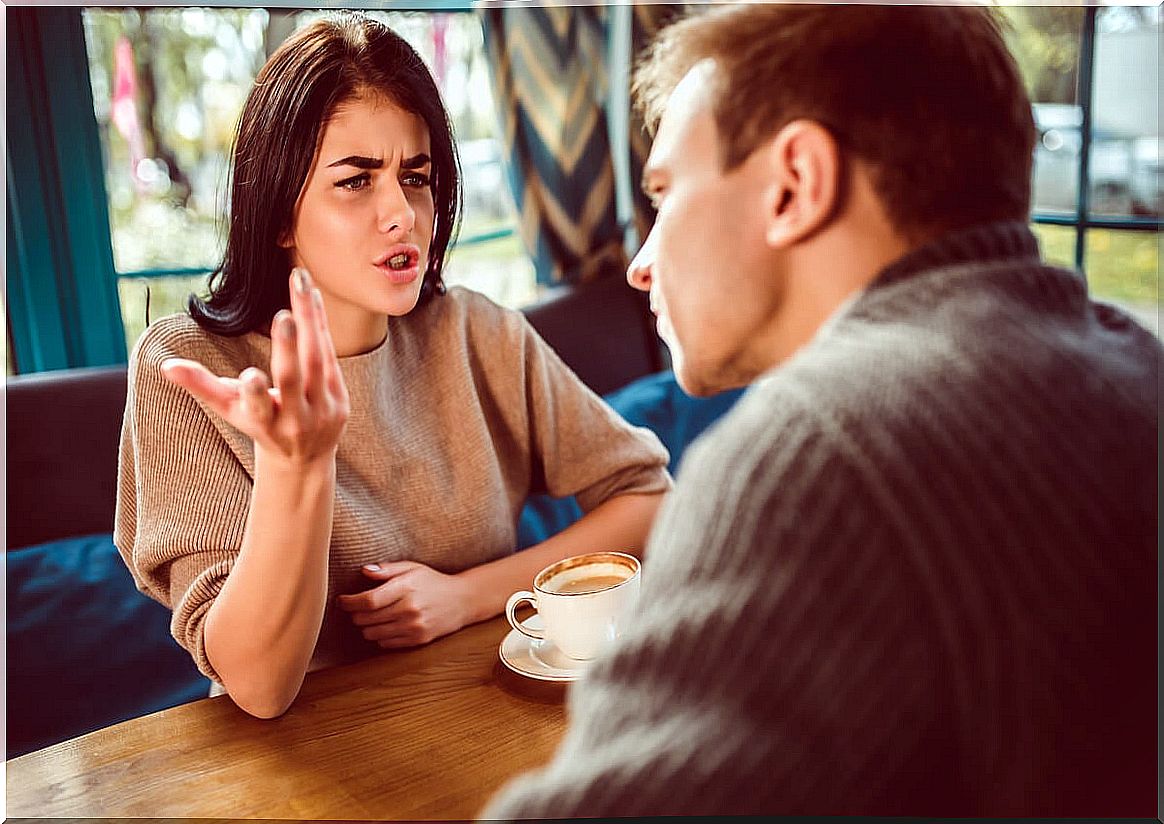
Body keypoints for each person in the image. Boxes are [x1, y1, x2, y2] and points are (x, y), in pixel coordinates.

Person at [482, 4, 1158, 817]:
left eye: (666, 198)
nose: (639, 264)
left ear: (794, 184)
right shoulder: (1131, 363)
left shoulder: (822, 450)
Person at [113, 13, 671, 720]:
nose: (402, 214)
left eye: (416, 177)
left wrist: (466, 596)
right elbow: (257, 685)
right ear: (279, 213)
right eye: (356, 181)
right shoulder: (187, 365)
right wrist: (297, 465)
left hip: (485, 721)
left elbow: (648, 499)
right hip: (302, 769)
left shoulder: (477, 332)